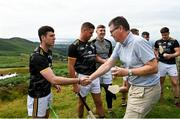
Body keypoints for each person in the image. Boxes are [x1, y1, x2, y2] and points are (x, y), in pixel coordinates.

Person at [83, 16, 161, 118]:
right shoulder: (120, 44)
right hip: (135, 87)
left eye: (112, 31)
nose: (110, 34)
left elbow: (154, 67)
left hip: (147, 89)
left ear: (120, 28)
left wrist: (127, 72)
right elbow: (108, 64)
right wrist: (91, 78)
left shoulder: (138, 42)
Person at [27, 26, 90, 118]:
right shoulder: (37, 57)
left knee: (46, 116)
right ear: (43, 38)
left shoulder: (48, 52)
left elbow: (48, 73)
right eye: (51, 36)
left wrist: (54, 84)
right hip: (38, 95)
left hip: (47, 92)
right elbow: (53, 79)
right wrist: (78, 80)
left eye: (54, 35)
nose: (54, 38)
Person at [68, 22, 105, 118]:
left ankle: (102, 117)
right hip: (82, 78)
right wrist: (75, 84)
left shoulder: (91, 44)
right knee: (82, 103)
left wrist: (106, 62)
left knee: (99, 102)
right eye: (90, 33)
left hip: (94, 76)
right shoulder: (74, 46)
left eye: (92, 33)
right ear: (84, 30)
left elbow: (96, 57)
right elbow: (70, 66)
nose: (92, 35)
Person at [92, 24, 116, 114]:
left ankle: (110, 108)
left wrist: (110, 65)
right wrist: (107, 63)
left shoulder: (108, 43)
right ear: (96, 32)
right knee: (97, 90)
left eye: (104, 30)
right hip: (96, 70)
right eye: (100, 30)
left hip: (107, 70)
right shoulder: (92, 43)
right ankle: (98, 108)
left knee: (109, 89)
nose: (102, 32)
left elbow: (111, 56)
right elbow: (95, 57)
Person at [154, 27, 180, 107]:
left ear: (168, 33)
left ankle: (176, 100)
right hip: (161, 64)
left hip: (172, 64)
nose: (164, 36)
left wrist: (170, 55)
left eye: (165, 35)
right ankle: (160, 98)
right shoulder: (158, 41)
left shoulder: (174, 41)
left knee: (175, 83)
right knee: (160, 82)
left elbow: (178, 52)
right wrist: (157, 55)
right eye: (162, 35)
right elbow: (155, 49)